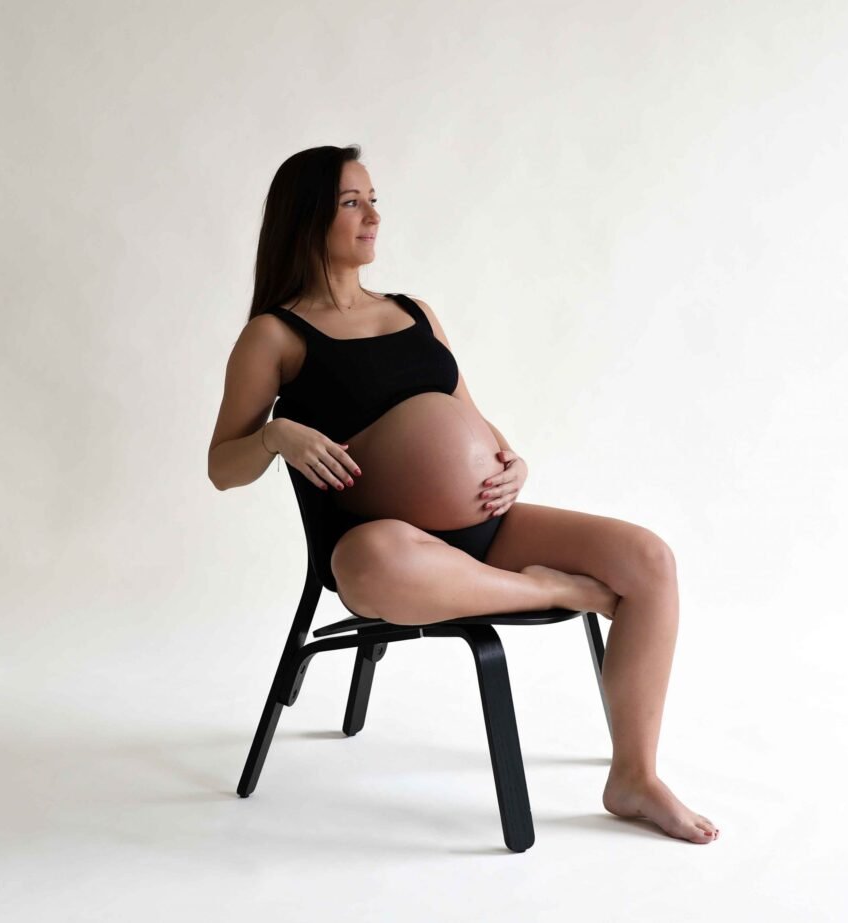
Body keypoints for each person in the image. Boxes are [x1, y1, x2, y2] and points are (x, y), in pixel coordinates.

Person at [207, 144, 720, 844]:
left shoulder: (413, 310)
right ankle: (550, 591)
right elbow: (221, 466)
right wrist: (276, 437)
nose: (372, 215)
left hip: (487, 527)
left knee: (649, 560)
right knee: (380, 562)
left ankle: (635, 775)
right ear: (306, 218)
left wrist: (513, 460)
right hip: (379, 544)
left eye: (373, 198)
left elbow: (466, 411)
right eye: (351, 201)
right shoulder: (275, 334)